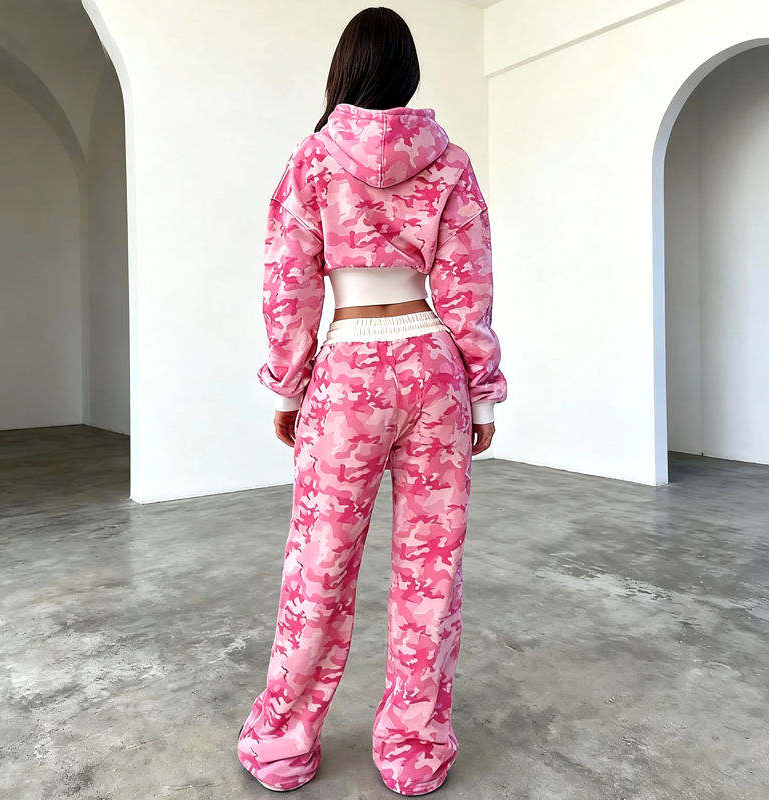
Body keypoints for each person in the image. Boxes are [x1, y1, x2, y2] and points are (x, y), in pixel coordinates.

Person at [237, 6, 507, 796]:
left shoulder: (313, 160)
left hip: (347, 373)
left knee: (319, 564)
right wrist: (482, 397)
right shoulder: (450, 162)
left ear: (345, 71)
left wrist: (289, 384)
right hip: (432, 366)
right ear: (408, 73)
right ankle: (413, 751)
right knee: (432, 569)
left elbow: (288, 284)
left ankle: (284, 743)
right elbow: (469, 285)